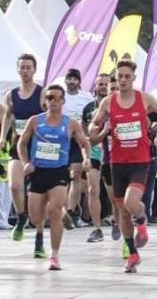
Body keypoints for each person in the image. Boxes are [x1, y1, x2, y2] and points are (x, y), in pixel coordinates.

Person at [89, 60, 157, 273]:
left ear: (133, 78)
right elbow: (95, 124)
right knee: (122, 212)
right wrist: (97, 128)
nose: (123, 80)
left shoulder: (144, 99)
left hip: (140, 160)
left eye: (126, 76)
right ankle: (132, 254)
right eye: (119, 77)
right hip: (117, 161)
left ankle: (142, 221)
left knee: (131, 202)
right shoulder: (108, 102)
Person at [17, 84, 91, 270]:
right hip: (38, 172)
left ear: (63, 101)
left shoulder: (70, 123)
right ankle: (41, 232)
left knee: (54, 211)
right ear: (45, 101)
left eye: (57, 98)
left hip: (58, 172)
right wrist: (26, 162)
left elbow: (84, 143)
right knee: (35, 217)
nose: (53, 101)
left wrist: (87, 158)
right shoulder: (35, 121)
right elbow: (21, 143)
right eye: (49, 97)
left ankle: (54, 255)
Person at [1, 54, 45, 242]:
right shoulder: (11, 94)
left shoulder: (42, 93)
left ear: (34, 70)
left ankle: (41, 233)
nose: (25, 71)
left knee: (39, 192)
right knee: (14, 185)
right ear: (18, 70)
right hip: (18, 145)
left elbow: (49, 116)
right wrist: (2, 137)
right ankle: (21, 216)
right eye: (22, 67)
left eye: (29, 67)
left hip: (39, 147)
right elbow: (8, 116)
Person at [61, 68, 94, 229]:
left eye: (74, 79)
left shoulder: (86, 97)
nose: (71, 82)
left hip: (78, 140)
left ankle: (71, 211)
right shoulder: (60, 97)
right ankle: (69, 208)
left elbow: (89, 117)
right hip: (62, 141)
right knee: (63, 178)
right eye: (69, 79)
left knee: (75, 175)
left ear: (79, 81)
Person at [83, 74, 111, 242]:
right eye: (100, 84)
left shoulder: (118, 105)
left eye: (105, 84)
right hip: (94, 152)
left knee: (115, 194)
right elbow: (84, 133)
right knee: (93, 190)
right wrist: (85, 154)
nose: (102, 87)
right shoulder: (88, 108)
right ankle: (97, 228)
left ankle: (117, 221)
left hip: (112, 153)